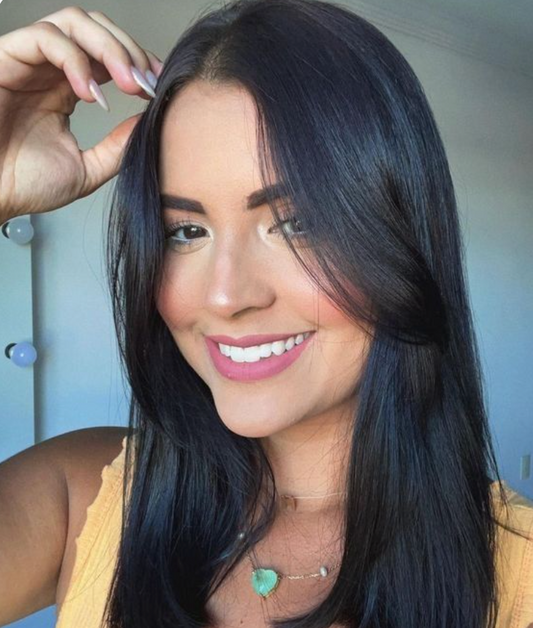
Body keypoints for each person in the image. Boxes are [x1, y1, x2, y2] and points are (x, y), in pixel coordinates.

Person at [0, 1, 532, 628]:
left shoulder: (517, 572)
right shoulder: (83, 493)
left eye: (298, 223)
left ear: (401, 238)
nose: (226, 296)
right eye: (187, 230)